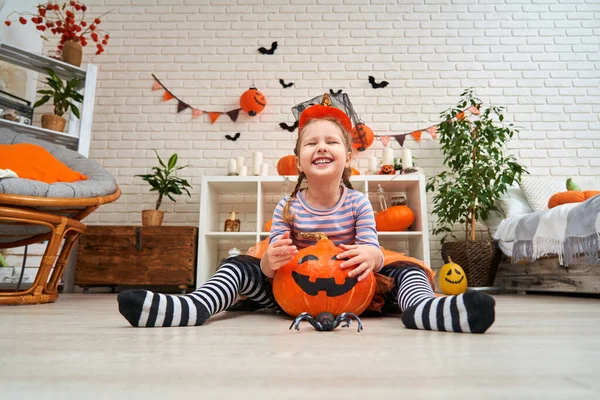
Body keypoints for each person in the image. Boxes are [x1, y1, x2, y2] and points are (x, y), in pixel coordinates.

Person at [117, 94, 496, 333]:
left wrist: (371, 255)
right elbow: (271, 258)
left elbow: (372, 249)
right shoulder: (288, 206)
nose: (321, 147)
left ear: (347, 157)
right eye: (311, 142)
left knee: (406, 271)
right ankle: (194, 306)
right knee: (239, 265)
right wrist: (269, 262)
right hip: (290, 292)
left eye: (332, 141)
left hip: (357, 292)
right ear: (298, 160)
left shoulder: (357, 203)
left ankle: (428, 311)